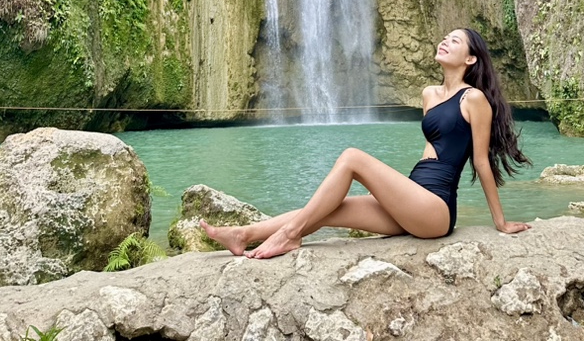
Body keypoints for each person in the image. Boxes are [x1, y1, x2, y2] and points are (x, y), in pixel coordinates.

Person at [200, 26, 532, 259]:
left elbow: (481, 162)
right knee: (330, 208)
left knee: (352, 157)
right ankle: (243, 235)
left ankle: (289, 236)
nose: (445, 42)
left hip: (436, 210)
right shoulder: (429, 94)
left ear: (470, 59)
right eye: (445, 38)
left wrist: (500, 222)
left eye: (455, 41)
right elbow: (431, 151)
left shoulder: (474, 99)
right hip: (413, 199)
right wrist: (389, 192)